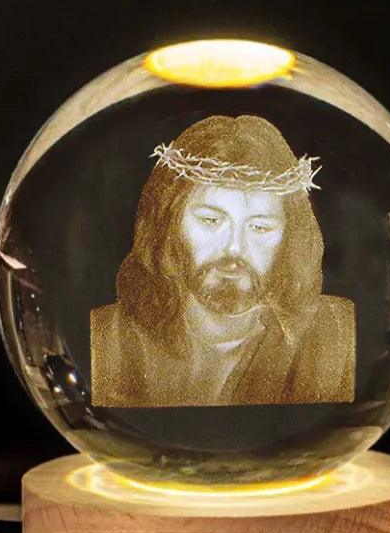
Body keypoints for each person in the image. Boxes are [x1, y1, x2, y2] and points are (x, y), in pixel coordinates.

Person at [90, 114, 355, 407]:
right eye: (210, 220)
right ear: (170, 224)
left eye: (260, 227)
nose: (234, 248)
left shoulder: (335, 336)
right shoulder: (106, 340)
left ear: (288, 237)